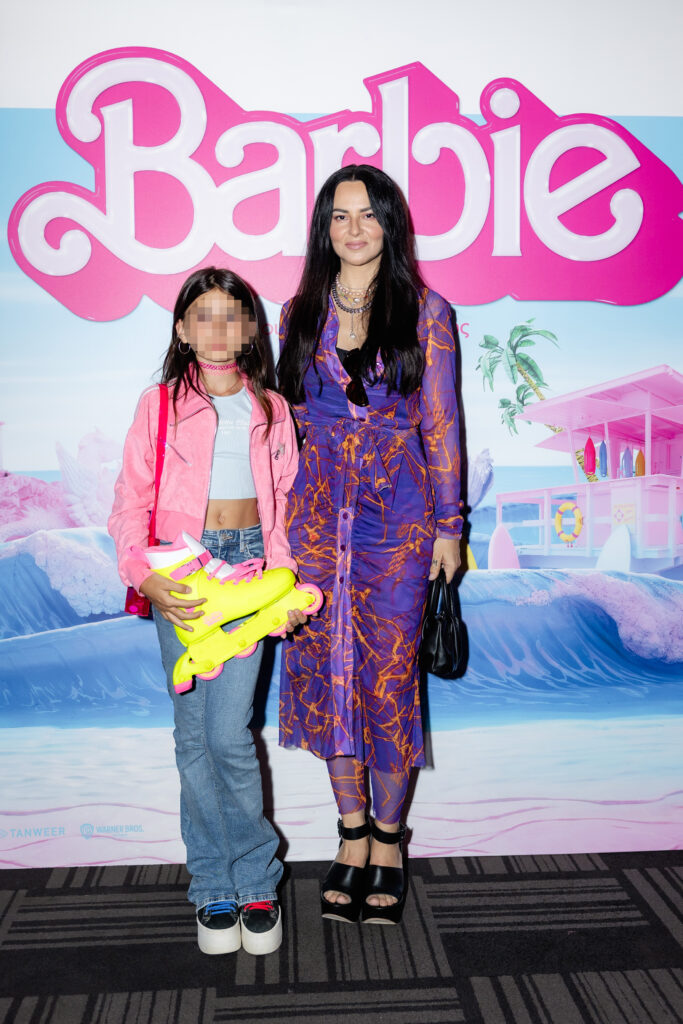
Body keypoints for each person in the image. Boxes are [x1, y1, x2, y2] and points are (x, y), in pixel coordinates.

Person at [277, 165, 464, 926]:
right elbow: (284, 422)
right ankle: (350, 834)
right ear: (323, 228)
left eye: (367, 214)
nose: (353, 229)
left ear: (390, 223)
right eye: (339, 216)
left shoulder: (427, 310)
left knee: (386, 680)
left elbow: (441, 421)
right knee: (330, 674)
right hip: (316, 518)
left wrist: (450, 526)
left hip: (398, 517)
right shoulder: (297, 310)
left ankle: (389, 840)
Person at [109, 267, 308, 956]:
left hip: (250, 569)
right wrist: (145, 576)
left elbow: (284, 511)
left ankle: (256, 878)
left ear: (251, 328)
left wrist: (282, 591)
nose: (218, 330)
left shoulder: (272, 409)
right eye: (204, 316)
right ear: (182, 329)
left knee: (229, 737)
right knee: (192, 737)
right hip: (182, 573)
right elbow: (130, 502)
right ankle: (212, 884)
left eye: (232, 316)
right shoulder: (159, 405)